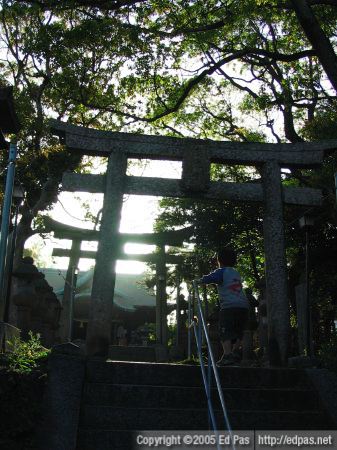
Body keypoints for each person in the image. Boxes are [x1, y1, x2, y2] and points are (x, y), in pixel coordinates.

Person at [197, 248, 249, 366]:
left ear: (219, 260)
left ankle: (227, 354)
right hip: (243, 306)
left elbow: (210, 278)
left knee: (224, 330)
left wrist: (199, 281)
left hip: (229, 307)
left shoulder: (221, 271)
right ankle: (235, 351)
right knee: (239, 330)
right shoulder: (236, 273)